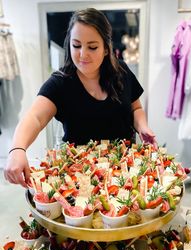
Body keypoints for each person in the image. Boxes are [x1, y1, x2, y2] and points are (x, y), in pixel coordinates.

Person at [4, 8, 156, 188]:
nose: (83, 54)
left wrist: (143, 126)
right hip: (79, 179)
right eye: (76, 45)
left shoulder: (121, 71)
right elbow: (35, 118)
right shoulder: (60, 83)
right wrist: (17, 149)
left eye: (92, 47)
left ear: (106, 48)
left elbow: (136, 108)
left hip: (124, 172)